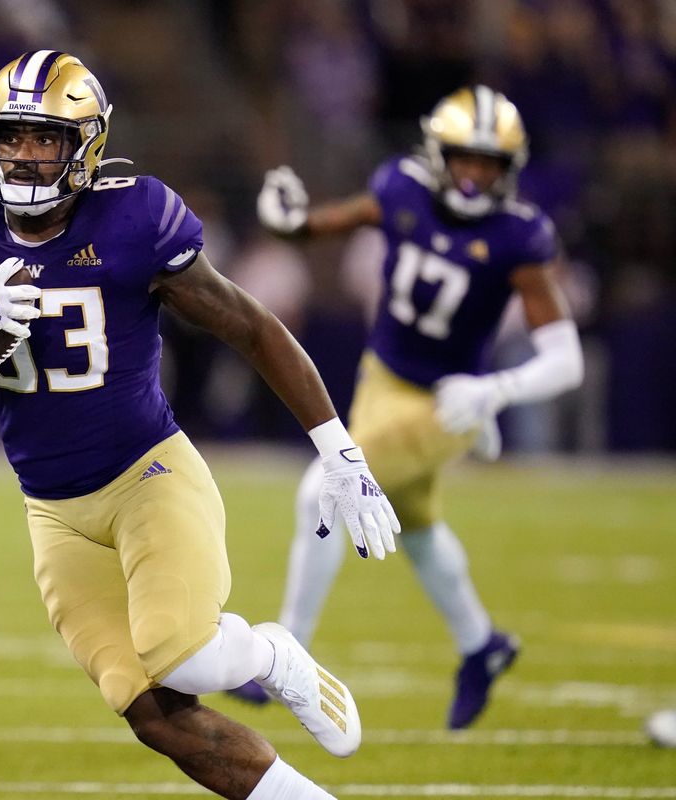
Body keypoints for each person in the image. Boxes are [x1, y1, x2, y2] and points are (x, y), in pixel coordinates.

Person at [0, 51, 400, 800]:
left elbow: (252, 327)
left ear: (86, 146)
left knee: (184, 657)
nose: (25, 157)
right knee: (155, 715)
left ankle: (267, 656)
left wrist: (341, 454)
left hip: (148, 476)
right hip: (54, 511)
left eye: (45, 140)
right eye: (11, 138)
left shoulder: (133, 218)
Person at [250, 85, 584, 729]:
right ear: (438, 153)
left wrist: (497, 390)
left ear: (509, 170)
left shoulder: (520, 237)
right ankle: (481, 646)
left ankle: (286, 657)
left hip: (450, 401)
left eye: (489, 163)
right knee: (420, 531)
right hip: (383, 378)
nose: (475, 174)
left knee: (323, 489)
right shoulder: (401, 189)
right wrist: (283, 217)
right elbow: (319, 225)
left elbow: (565, 356)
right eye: (466, 157)